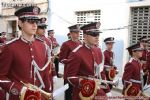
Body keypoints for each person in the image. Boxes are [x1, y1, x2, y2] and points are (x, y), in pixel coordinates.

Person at [0, 6, 52, 100]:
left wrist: (48, 91)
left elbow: (45, 74)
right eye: (31, 21)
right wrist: (18, 89)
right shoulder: (10, 47)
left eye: (36, 22)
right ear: (20, 23)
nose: (35, 25)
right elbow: (1, 76)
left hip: (40, 96)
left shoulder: (43, 46)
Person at [66, 22, 109, 100]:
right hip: (83, 93)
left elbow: (101, 72)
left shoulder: (98, 51)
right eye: (93, 34)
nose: (97, 37)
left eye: (98, 34)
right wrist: (84, 82)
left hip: (98, 91)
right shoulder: (76, 53)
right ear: (85, 36)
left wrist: (107, 90)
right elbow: (70, 77)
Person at [59, 24, 82, 100]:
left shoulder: (81, 43)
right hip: (69, 74)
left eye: (78, 32)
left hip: (79, 74)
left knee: (77, 94)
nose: (78, 34)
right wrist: (71, 61)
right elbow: (61, 59)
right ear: (71, 33)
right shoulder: (66, 44)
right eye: (76, 32)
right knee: (69, 94)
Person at [36, 17, 57, 92]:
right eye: (41, 28)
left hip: (47, 72)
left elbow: (51, 59)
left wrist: (54, 73)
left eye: (45, 27)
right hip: (36, 73)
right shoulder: (32, 40)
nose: (44, 30)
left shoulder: (48, 41)